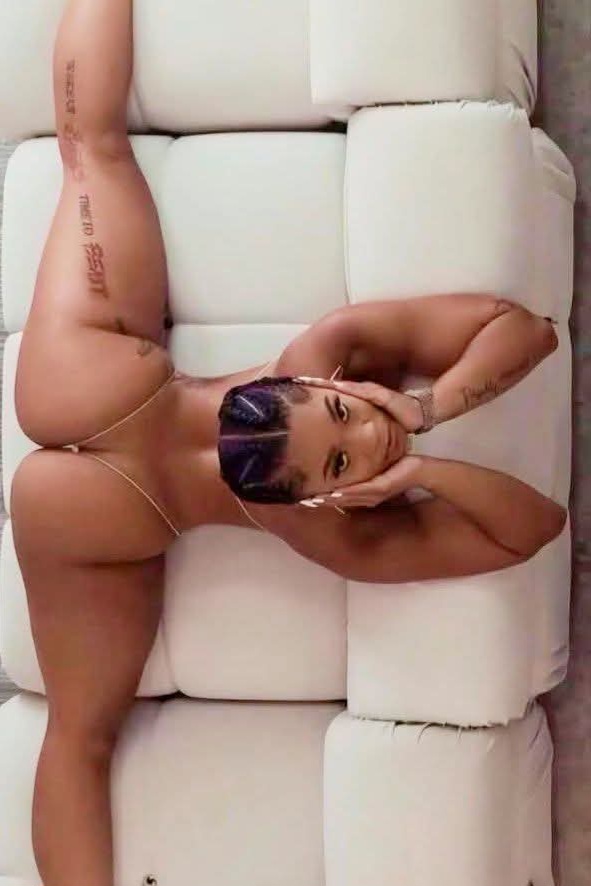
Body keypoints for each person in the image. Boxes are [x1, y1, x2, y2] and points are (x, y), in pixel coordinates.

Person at [10, 2, 566, 884]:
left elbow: (527, 334)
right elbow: (531, 522)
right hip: (104, 404)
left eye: (341, 424)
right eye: (344, 445)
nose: (369, 428)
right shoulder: (322, 494)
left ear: (318, 385)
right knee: (91, 148)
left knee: (93, 150)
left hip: (93, 490)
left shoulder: (326, 438)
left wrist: (427, 412)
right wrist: (422, 462)